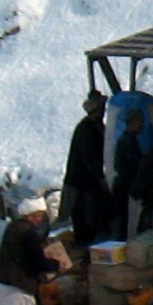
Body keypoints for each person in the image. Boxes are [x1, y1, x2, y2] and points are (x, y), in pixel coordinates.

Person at [61, 91, 110, 247]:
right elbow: (89, 158)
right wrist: (101, 178)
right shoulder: (87, 130)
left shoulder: (96, 126)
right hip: (81, 183)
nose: (103, 112)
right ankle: (83, 251)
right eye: (101, 109)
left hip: (86, 182)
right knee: (84, 218)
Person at [110, 108, 144, 242]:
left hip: (125, 184)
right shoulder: (126, 141)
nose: (142, 125)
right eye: (140, 122)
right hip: (124, 186)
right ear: (133, 122)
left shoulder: (130, 140)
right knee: (122, 221)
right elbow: (128, 166)